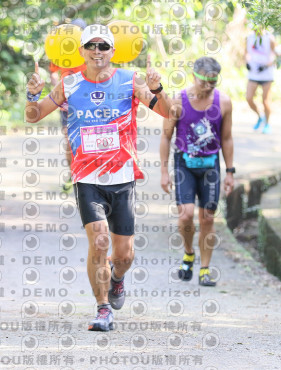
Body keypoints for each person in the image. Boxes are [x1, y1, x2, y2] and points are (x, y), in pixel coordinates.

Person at [25, 24, 172, 331]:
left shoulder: (130, 80)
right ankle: (103, 308)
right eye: (91, 45)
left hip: (122, 176)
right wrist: (31, 95)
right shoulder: (69, 84)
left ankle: (117, 278)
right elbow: (34, 115)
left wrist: (157, 89)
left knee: (124, 256)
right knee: (100, 241)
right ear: (81, 51)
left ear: (112, 51)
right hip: (87, 177)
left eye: (103, 45)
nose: (97, 51)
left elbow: (168, 112)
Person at [160, 56, 234, 287]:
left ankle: (205, 269)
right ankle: (189, 253)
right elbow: (166, 136)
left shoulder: (224, 102)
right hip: (184, 163)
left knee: (208, 218)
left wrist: (230, 171)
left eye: (213, 81)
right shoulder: (178, 101)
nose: (209, 86)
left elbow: (227, 138)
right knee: (185, 215)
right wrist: (164, 171)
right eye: (204, 81)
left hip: (210, 165)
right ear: (194, 77)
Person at [48, 19, 88, 192]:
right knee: (69, 139)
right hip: (67, 102)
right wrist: (59, 90)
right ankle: (73, 175)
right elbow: (53, 73)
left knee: (88, 138)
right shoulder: (62, 49)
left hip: (87, 101)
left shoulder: (90, 51)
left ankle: (88, 174)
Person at [245, 27, 278, 134]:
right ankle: (260, 117)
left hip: (266, 74)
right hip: (253, 73)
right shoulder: (249, 38)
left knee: (265, 101)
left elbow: (275, 55)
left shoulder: (269, 38)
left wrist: (266, 65)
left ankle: (267, 124)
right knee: (249, 98)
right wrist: (247, 62)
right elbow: (246, 53)